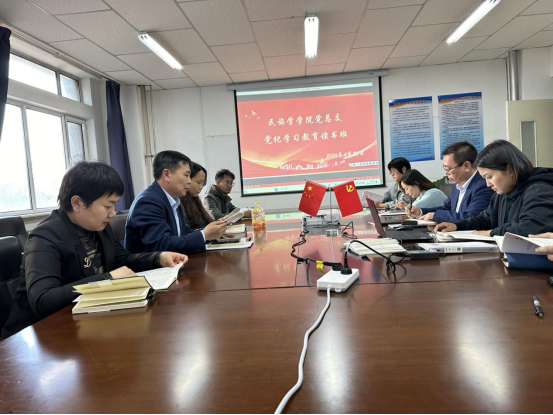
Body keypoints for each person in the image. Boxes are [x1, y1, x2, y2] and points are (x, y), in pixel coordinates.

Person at [1, 162, 187, 340]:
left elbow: (123, 260)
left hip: (84, 323)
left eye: (114, 205)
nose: (112, 213)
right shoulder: (45, 237)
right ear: (77, 203)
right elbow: (43, 300)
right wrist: (108, 279)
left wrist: (158, 258)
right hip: (39, 337)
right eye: (107, 206)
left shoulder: (98, 227)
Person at [435, 140, 553, 237]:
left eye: (489, 177)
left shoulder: (538, 190)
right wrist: (457, 226)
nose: (488, 184)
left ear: (509, 169)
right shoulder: (502, 193)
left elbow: (530, 228)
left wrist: (491, 233)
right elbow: (485, 219)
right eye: (484, 178)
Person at [125, 151, 227, 254]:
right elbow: (162, 246)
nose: (189, 181)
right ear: (166, 175)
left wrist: (213, 230)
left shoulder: (173, 199)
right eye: (186, 175)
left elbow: (184, 233)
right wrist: (204, 235)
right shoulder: (148, 202)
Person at [407, 142, 494, 222]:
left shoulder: (484, 185)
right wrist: (420, 211)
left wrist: (435, 216)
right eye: (445, 168)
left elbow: (472, 217)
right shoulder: (457, 186)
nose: (446, 173)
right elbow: (445, 209)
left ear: (466, 166)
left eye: (448, 168)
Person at [180, 162, 214, 229]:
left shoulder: (195, 199)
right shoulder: (179, 203)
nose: (201, 187)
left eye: (203, 184)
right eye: (198, 182)